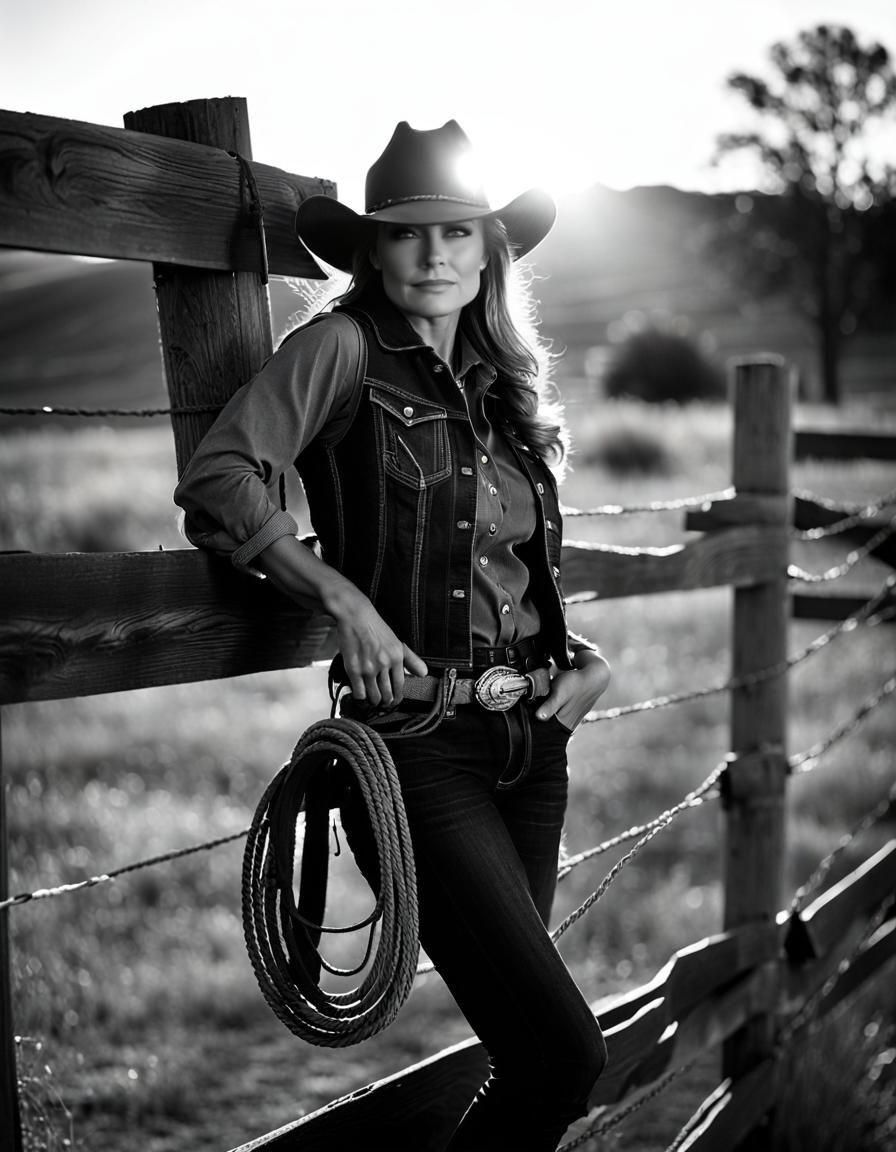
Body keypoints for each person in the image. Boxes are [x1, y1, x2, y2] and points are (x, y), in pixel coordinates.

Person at [174, 120, 611, 1151]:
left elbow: (508, 565)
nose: (434, 255)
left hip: (533, 746)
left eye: (457, 232)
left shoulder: (504, 388)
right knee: (562, 1058)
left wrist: (581, 662)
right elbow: (220, 478)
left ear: (489, 252)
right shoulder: (341, 349)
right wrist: (343, 601)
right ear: (370, 251)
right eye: (407, 234)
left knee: (527, 1049)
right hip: (418, 749)